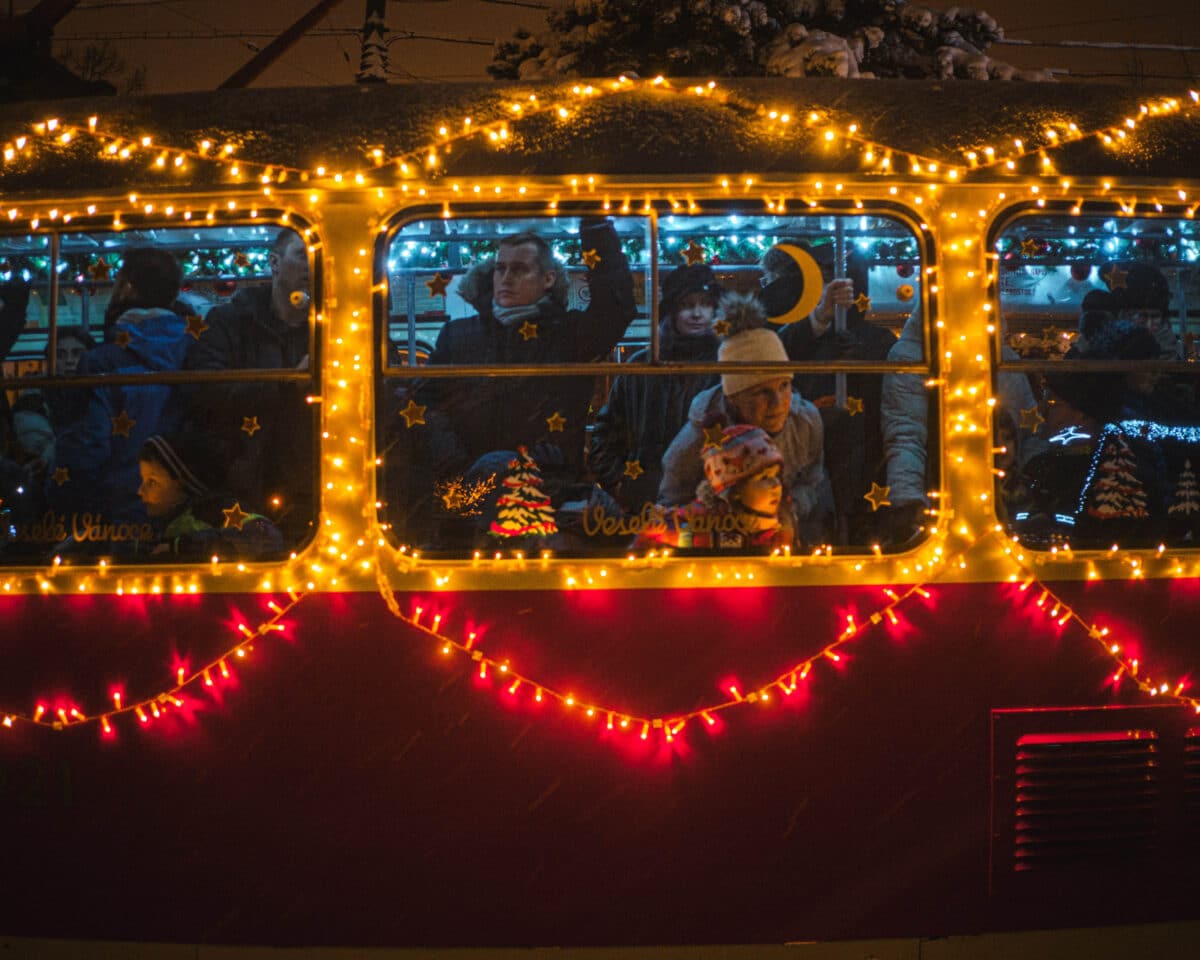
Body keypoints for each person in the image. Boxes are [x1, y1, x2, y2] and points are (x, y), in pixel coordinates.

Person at [418, 218, 636, 503]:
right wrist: (455, 464)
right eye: (501, 268)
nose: (506, 278)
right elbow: (427, 404)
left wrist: (594, 225)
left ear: (548, 279)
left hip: (550, 488)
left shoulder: (570, 335)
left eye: (519, 269)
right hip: (472, 490)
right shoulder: (457, 335)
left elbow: (615, 309)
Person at [658, 292, 832, 546]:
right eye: (762, 392)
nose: (778, 402)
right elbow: (671, 501)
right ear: (733, 398)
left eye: (784, 386)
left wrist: (787, 510)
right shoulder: (702, 435)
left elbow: (813, 481)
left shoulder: (805, 423)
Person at [181, 227, 314, 544]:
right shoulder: (230, 321)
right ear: (274, 263)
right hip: (244, 480)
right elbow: (203, 390)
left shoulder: (341, 322)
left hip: (311, 476)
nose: (313, 266)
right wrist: (288, 383)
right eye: (303, 255)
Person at [763, 240, 898, 543]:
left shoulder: (878, 342)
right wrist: (820, 319)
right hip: (803, 459)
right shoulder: (796, 333)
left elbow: (889, 405)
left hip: (863, 460)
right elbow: (775, 361)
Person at [48, 248, 189, 525]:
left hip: (116, 509)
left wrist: (59, 495)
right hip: (181, 505)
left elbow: (87, 445)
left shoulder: (102, 361)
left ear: (127, 288)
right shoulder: (196, 350)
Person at [588, 263, 722, 510]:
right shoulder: (641, 366)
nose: (697, 314)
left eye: (705, 304)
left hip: (710, 500)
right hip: (644, 500)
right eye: (687, 305)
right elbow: (606, 431)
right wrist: (620, 482)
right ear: (672, 310)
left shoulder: (725, 366)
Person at [635, 424, 793, 553]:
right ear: (735, 491)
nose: (776, 485)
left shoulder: (778, 531)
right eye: (764, 478)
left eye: (775, 475)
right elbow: (660, 536)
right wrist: (652, 536)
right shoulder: (702, 522)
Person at [135, 433, 283, 560]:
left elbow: (267, 536)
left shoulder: (213, 512)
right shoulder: (150, 524)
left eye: (152, 482)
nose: (140, 491)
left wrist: (182, 546)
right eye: (142, 480)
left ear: (182, 483)